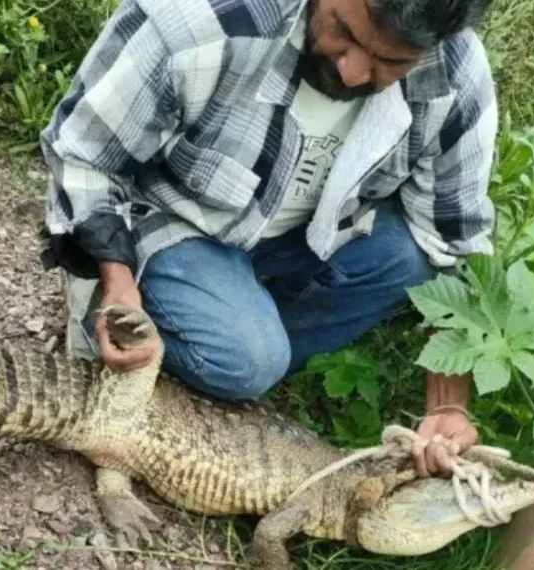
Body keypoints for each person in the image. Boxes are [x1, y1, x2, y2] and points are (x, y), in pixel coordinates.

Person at [37, 0, 497, 478]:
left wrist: (449, 407)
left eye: (390, 62)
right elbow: (85, 156)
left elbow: (451, 248)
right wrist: (116, 280)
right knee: (250, 360)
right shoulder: (203, 19)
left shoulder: (455, 73)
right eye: (344, 32)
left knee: (407, 259)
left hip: (306, 233)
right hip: (176, 221)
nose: (354, 72)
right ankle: (156, 337)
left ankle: (222, 353)